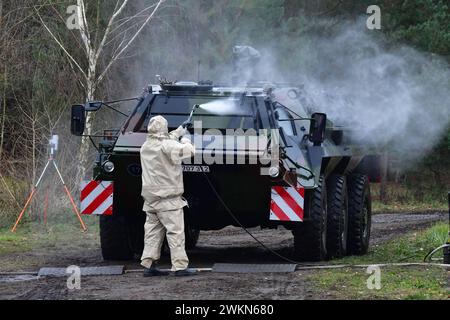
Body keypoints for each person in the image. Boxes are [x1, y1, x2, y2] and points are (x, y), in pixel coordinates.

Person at [140, 115, 195, 277]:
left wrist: (179, 130)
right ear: (164, 128)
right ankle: (179, 267)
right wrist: (185, 138)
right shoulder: (168, 145)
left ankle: (149, 265)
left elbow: (165, 141)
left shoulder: (146, 145)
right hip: (168, 201)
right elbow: (190, 151)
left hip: (150, 200)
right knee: (175, 233)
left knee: (152, 233)